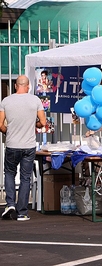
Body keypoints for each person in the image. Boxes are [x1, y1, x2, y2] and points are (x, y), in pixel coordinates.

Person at [0, 75, 46, 221]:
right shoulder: (35, 100)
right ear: (28, 86)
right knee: (26, 178)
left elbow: (0, 124)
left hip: (12, 144)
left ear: (15, 86)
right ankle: (22, 213)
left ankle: (10, 203)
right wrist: (34, 125)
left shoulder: (6, 101)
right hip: (29, 145)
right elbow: (43, 122)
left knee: (9, 173)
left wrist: (7, 131)